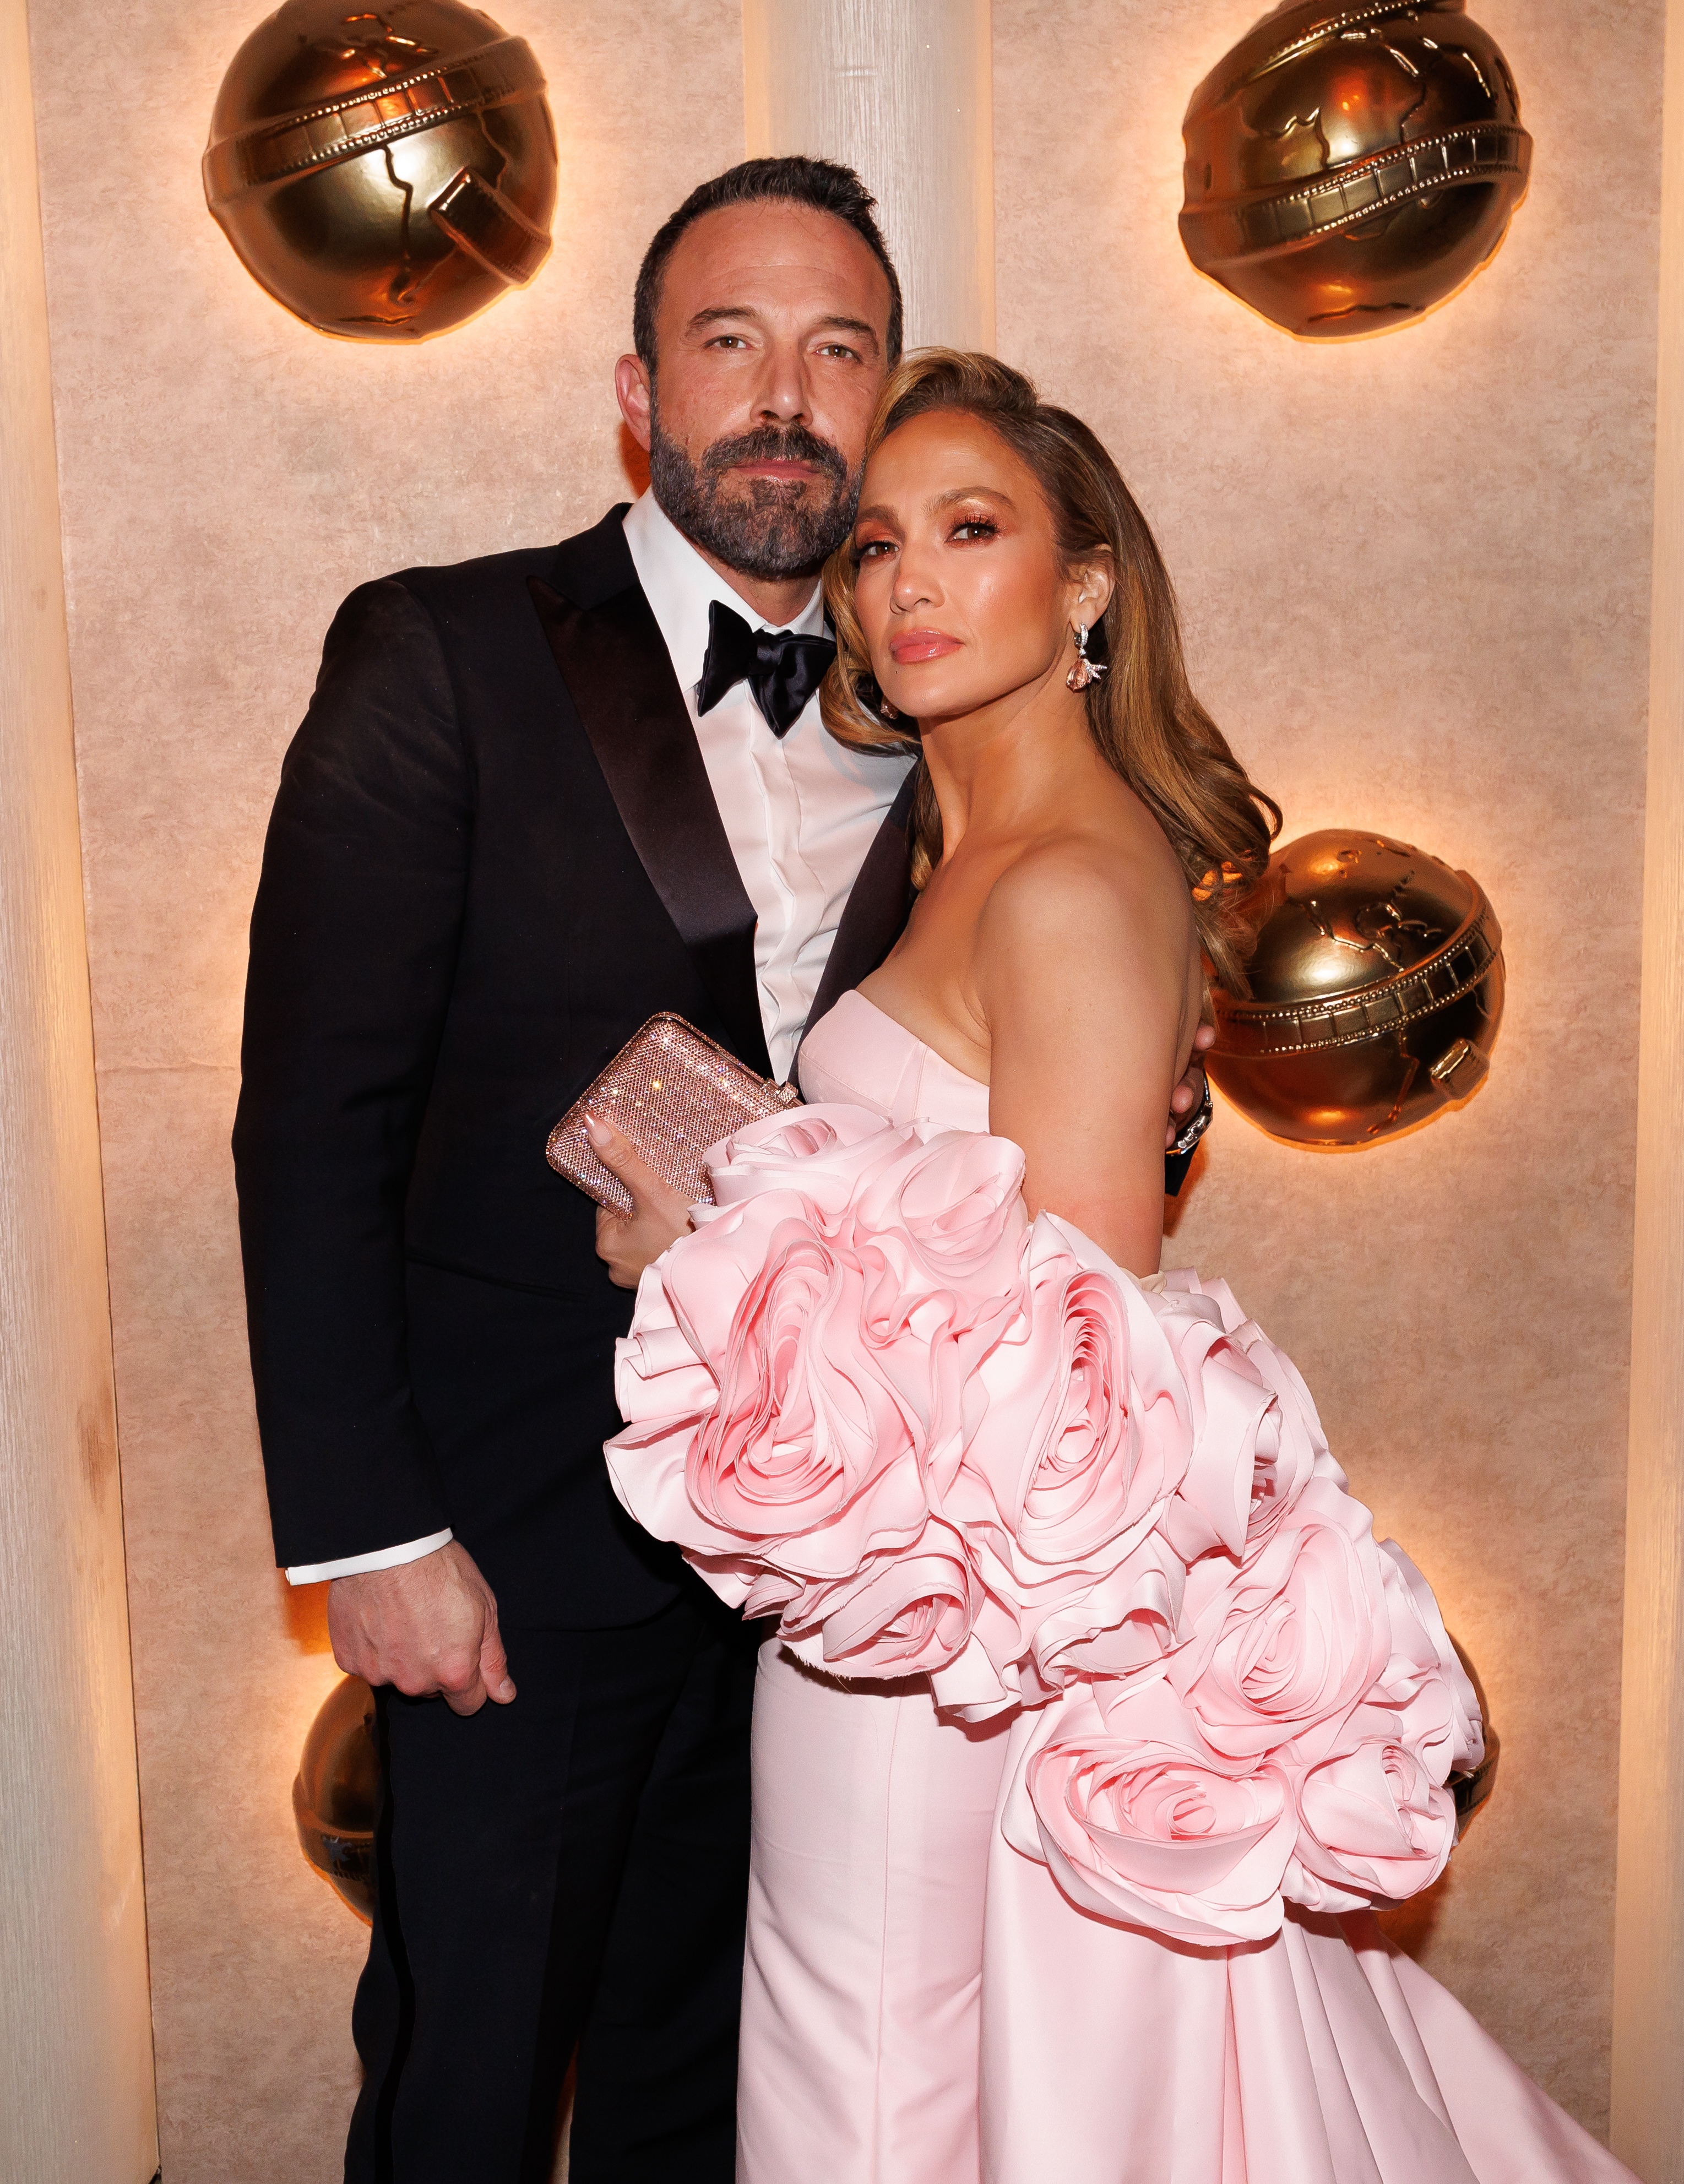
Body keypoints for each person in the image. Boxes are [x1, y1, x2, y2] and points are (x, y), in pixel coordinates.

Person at [233, 158, 1214, 2183]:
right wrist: (366, 1537)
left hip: (823, 1596)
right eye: (730, 340)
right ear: (638, 390)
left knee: (726, 2098)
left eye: (836, 346)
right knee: (469, 2090)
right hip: (505, 1556)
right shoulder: (441, 651)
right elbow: (311, 1120)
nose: (785, 390)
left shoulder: (932, 711)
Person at [605, 352, 1638, 2183]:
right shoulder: (969, 850)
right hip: (908, 1631)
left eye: (970, 531)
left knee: (884, 2107)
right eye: (869, 547)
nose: (906, 584)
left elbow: (1067, 1372)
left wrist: (707, 1243)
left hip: (955, 1663)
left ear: (1084, 584)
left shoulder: (1069, 886)